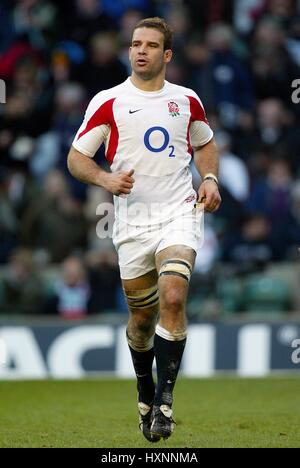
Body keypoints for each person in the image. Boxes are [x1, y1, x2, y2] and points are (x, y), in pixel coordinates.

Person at [67, 17, 221, 442]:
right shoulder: (109, 101)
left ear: (166, 55)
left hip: (178, 213)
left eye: (151, 45)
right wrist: (105, 180)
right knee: (140, 319)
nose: (141, 51)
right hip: (132, 223)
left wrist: (209, 178)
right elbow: (77, 157)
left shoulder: (187, 100)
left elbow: (205, 143)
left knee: (174, 295)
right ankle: (144, 389)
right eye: (136, 44)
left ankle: (165, 404)